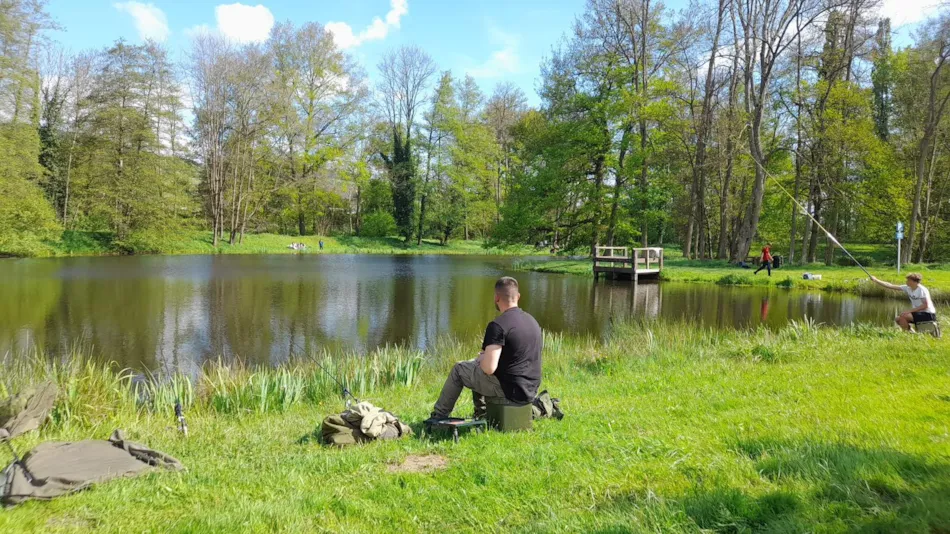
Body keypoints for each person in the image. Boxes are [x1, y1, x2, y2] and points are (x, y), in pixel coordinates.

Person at [429, 277, 543, 421]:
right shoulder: (532, 321)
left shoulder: (498, 325)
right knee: (475, 366)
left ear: (496, 298)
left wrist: (482, 359)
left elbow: (489, 369)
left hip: (510, 391)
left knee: (460, 369)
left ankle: (438, 416)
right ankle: (482, 412)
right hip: (530, 389)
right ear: (518, 296)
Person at [869, 273, 938, 331]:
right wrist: (876, 280)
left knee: (903, 316)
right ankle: (911, 333)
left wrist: (909, 311)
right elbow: (890, 285)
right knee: (898, 319)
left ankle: (909, 334)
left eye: (908, 280)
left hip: (928, 314)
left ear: (915, 282)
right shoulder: (908, 288)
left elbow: (925, 305)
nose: (906, 281)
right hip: (919, 313)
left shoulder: (921, 290)